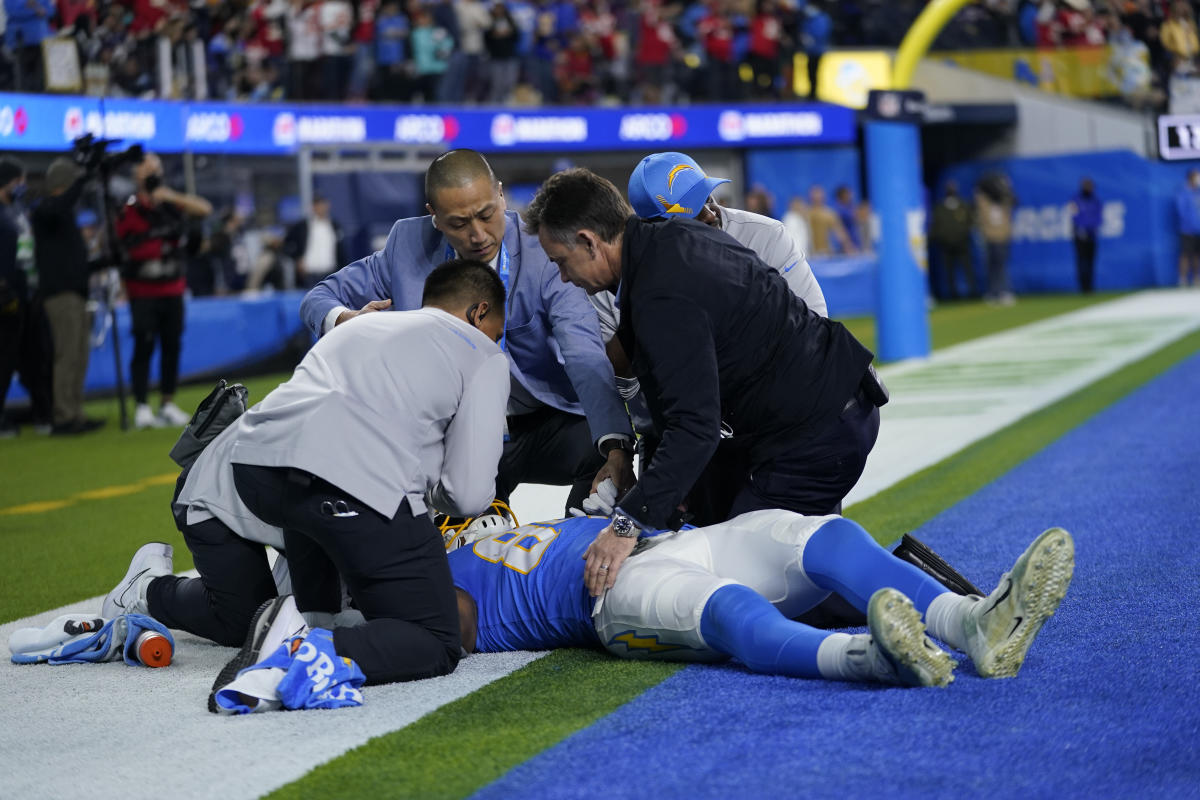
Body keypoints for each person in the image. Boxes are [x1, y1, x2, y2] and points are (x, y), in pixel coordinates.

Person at [102, 259, 511, 697]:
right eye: (495, 330)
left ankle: (304, 619)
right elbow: (468, 495)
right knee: (434, 638)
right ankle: (293, 645)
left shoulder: (359, 325)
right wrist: (422, 496)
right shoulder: (482, 352)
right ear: (478, 313)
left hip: (257, 473)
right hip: (338, 484)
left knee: (307, 557)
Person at [523, 168, 884, 592]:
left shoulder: (659, 289)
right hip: (810, 416)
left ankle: (920, 599)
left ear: (588, 240)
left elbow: (695, 426)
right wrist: (660, 493)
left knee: (750, 581)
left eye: (561, 263)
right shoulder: (666, 247)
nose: (564, 277)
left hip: (817, 429)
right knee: (733, 550)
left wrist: (626, 525)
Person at [299, 150, 634, 514]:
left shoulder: (544, 251)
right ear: (434, 217)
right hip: (457, 432)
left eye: (487, 215)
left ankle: (580, 544)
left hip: (542, 421)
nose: (478, 235)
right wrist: (346, 320)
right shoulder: (406, 245)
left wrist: (616, 446)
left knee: (594, 448)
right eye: (459, 223)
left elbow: (583, 352)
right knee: (465, 539)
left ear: (500, 196)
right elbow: (318, 297)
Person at [447, 511, 1076, 685]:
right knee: (727, 610)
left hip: (672, 540)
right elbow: (450, 626)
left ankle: (971, 625)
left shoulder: (511, 527)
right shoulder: (440, 575)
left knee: (825, 537)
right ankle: (872, 657)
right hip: (611, 600)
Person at [115, 153, 213, 430]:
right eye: (147, 171)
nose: (152, 175)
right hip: (142, 290)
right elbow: (119, 245)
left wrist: (168, 196)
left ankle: (167, 403)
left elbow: (204, 209)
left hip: (173, 288)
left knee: (172, 346)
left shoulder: (172, 205)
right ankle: (142, 406)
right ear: (137, 176)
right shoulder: (129, 208)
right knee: (144, 345)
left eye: (156, 169)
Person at [31, 159, 107, 436]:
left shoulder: (62, 216)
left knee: (78, 356)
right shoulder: (45, 210)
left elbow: (73, 261)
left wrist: (101, 262)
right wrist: (82, 180)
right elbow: (58, 206)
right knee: (67, 356)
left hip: (74, 293)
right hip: (60, 296)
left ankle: (75, 412)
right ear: (63, 184)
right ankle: (63, 416)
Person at [0, 156, 53, 437]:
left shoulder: (18, 208)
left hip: (28, 293)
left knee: (36, 356)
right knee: (4, 361)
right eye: (17, 180)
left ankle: (43, 412)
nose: (21, 184)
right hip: (5, 297)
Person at [282, 195, 347, 290]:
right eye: (317, 205)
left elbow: (341, 252)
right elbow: (286, 244)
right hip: (308, 275)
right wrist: (297, 259)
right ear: (312, 207)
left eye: (322, 205)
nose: (320, 208)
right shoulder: (302, 226)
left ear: (327, 206)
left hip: (330, 274)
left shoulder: (334, 226)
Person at [929, 180, 977, 300]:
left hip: (962, 243)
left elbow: (970, 222)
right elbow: (936, 225)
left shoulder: (963, 205)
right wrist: (936, 238)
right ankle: (953, 294)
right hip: (946, 244)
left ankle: (973, 292)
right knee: (949, 270)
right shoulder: (940, 208)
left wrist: (963, 233)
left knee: (967, 268)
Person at [974, 171, 1016, 305]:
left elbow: (1011, 199)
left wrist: (1005, 186)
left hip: (1002, 237)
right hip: (990, 237)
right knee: (992, 267)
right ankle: (993, 292)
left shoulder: (1003, 202)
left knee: (1001, 266)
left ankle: (1003, 291)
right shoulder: (985, 202)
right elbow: (979, 200)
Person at [1068, 177, 1101, 294]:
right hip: (1079, 236)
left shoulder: (1095, 201)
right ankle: (1082, 287)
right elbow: (1074, 216)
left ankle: (1090, 286)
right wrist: (1081, 229)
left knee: (1091, 262)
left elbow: (1098, 217)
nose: (1088, 188)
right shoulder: (1075, 200)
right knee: (1081, 262)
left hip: (1092, 235)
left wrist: (1092, 229)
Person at [805, 185, 856, 256]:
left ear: (823, 196)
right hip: (809, 253)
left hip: (825, 253)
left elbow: (839, 232)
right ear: (810, 197)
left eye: (819, 194)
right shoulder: (806, 213)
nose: (817, 197)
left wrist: (848, 246)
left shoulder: (828, 213)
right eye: (815, 194)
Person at [1175, 169, 1200, 287]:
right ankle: (1183, 279)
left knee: (1196, 255)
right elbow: (1182, 212)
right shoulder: (1183, 193)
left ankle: (1196, 278)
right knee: (1185, 254)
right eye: (1196, 176)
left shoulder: (1198, 193)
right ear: (1191, 177)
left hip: (1198, 230)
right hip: (1187, 230)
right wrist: (1190, 226)